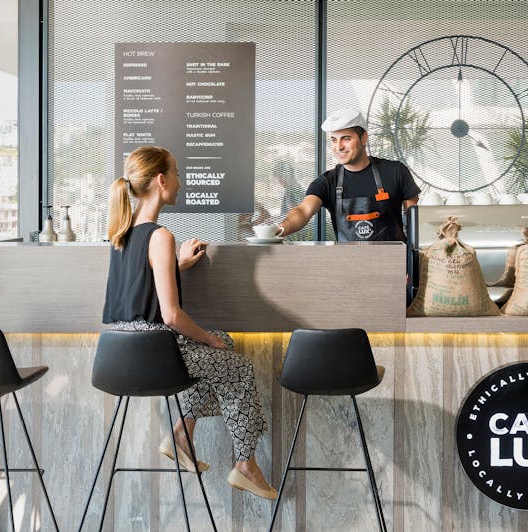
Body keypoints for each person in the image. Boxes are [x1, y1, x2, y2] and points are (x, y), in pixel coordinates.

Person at [102, 146, 277, 500]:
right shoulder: (160, 235)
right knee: (235, 365)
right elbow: (170, 316)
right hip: (156, 350)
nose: (181, 183)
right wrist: (209, 342)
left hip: (122, 352)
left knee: (220, 342)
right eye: (177, 174)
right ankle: (246, 464)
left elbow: (141, 285)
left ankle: (183, 434)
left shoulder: (121, 232)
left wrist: (177, 265)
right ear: (161, 180)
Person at [277, 108, 420, 241]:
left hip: (394, 264)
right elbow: (303, 211)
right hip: (347, 264)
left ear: (364, 138)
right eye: (334, 139)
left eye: (346, 138)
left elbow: (415, 221)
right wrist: (279, 230)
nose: (338, 146)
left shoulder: (396, 172)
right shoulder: (327, 182)